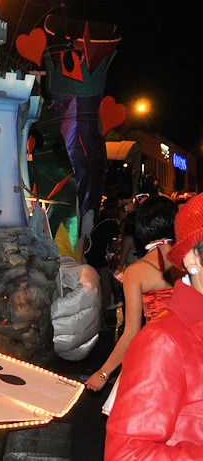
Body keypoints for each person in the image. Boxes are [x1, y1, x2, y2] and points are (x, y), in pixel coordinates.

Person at [105, 192, 203, 459]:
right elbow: (127, 454)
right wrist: (103, 374)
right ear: (192, 259)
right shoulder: (162, 344)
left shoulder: (137, 270)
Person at [84, 196, 178, 410]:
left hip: (159, 356)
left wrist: (103, 373)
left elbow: (131, 332)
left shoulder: (136, 272)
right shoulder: (192, 259)